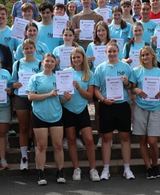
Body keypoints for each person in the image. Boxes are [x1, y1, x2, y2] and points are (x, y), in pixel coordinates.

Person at [93, 40, 135, 180]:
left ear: (118, 52)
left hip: (122, 105)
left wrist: (127, 83)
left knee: (125, 137)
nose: (112, 54)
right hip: (106, 106)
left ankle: (127, 168)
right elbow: (96, 89)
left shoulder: (126, 67)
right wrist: (103, 100)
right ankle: (106, 169)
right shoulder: (100, 68)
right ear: (105, 53)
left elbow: (131, 87)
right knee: (106, 138)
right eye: (109, 51)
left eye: (114, 51)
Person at [27, 53, 69, 185]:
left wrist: (66, 98)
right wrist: (49, 94)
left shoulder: (59, 78)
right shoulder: (35, 78)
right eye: (47, 61)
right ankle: (40, 172)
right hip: (39, 114)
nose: (49, 63)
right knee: (41, 146)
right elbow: (31, 97)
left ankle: (60, 171)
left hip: (56, 114)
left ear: (55, 63)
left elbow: (59, 99)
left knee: (58, 145)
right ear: (42, 62)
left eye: (52, 61)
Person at [62, 46, 99, 181]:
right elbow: (61, 91)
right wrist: (65, 96)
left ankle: (93, 169)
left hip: (82, 109)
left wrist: (78, 88)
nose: (76, 59)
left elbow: (89, 96)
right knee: (71, 140)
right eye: (73, 57)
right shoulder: (65, 72)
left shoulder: (89, 74)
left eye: (78, 57)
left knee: (89, 140)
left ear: (83, 58)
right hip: (68, 109)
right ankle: (76, 168)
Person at [130, 46, 160, 179]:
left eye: (147, 54)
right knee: (143, 139)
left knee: (153, 141)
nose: (145, 57)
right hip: (140, 107)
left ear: (152, 56)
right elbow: (132, 88)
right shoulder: (136, 71)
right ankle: (148, 167)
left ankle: (155, 165)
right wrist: (136, 90)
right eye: (142, 55)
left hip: (155, 108)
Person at [12, 39, 42, 170]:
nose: (29, 50)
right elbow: (12, 81)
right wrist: (15, 84)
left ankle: (37, 157)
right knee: (23, 128)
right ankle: (24, 157)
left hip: (35, 99)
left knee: (36, 128)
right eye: (26, 48)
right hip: (21, 97)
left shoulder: (40, 64)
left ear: (35, 49)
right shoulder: (17, 63)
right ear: (22, 50)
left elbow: (43, 80)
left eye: (31, 48)